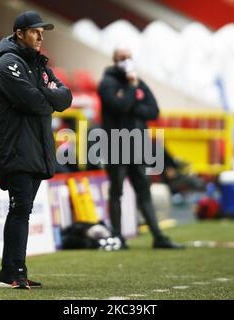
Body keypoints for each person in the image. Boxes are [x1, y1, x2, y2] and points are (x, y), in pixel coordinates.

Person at [0, 11, 72, 289]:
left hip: (35, 147)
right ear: (19, 33)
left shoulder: (38, 64)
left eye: (42, 32)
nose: (40, 36)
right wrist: (47, 96)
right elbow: (32, 101)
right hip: (16, 147)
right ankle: (14, 273)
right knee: (20, 209)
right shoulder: (7, 64)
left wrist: (44, 95)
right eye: (35, 31)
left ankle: (11, 272)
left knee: (22, 210)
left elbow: (66, 97)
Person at [98, 46, 185, 250]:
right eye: (122, 58)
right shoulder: (107, 83)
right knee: (116, 190)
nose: (126, 61)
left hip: (137, 143)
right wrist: (131, 90)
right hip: (116, 144)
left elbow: (154, 110)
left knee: (143, 190)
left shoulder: (138, 82)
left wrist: (133, 103)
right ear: (114, 60)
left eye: (129, 57)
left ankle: (158, 236)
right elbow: (119, 107)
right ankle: (118, 236)